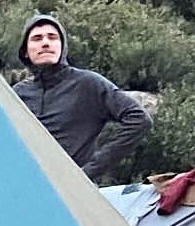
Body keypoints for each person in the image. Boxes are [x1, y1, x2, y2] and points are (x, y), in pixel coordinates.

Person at [13, 14, 151, 180]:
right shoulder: (18, 94)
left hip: (71, 194)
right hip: (24, 187)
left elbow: (139, 119)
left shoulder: (87, 84)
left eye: (52, 37)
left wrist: (90, 170)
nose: (45, 42)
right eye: (37, 38)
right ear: (25, 51)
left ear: (62, 47)